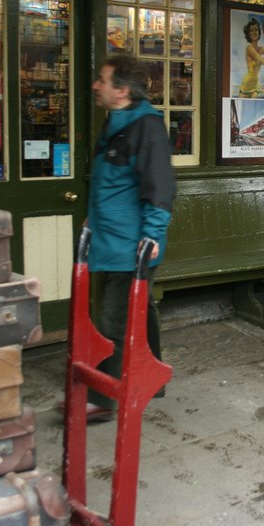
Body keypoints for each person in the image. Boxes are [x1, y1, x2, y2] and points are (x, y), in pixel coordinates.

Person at [84, 55, 176, 421]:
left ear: (121, 90)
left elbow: (160, 187)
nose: (95, 85)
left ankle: (102, 398)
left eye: (102, 80)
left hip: (129, 245)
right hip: (109, 239)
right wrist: (90, 222)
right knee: (139, 311)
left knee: (111, 321)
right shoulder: (116, 124)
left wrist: (152, 236)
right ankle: (154, 378)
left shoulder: (145, 128)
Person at [238, 17, 264, 97]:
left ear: (259, 32)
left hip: (255, 84)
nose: (254, 32)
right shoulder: (250, 48)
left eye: (256, 30)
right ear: (248, 34)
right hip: (247, 84)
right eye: (251, 31)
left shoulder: (260, 49)